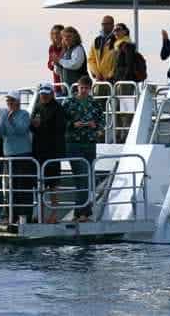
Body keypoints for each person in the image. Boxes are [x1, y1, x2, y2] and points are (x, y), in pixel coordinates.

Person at [62, 76, 105, 222]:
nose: (84, 91)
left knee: (87, 177)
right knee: (81, 176)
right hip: (74, 144)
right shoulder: (68, 102)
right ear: (77, 87)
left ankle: (83, 212)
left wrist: (97, 128)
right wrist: (73, 125)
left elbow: (102, 121)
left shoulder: (95, 104)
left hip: (90, 144)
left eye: (86, 88)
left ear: (90, 88)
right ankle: (81, 213)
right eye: (82, 88)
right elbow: (61, 121)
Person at [0, 90, 34, 222]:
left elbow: (22, 130)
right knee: (11, 187)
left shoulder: (24, 114)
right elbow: (0, 133)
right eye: (8, 101)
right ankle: (12, 216)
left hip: (23, 154)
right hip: (9, 155)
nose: (9, 103)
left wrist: (12, 120)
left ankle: (26, 215)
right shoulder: (4, 115)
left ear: (17, 102)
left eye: (12, 100)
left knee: (24, 186)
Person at [30, 83, 66, 223]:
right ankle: (40, 213)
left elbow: (59, 129)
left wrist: (40, 124)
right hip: (39, 151)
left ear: (52, 94)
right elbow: (32, 127)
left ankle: (54, 214)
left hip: (53, 152)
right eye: (42, 94)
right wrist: (34, 125)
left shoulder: (58, 109)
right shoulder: (38, 107)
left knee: (53, 185)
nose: (43, 96)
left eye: (46, 94)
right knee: (40, 184)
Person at [111, 23, 139, 142]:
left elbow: (129, 64)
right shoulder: (118, 45)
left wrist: (125, 78)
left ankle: (125, 134)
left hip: (125, 82)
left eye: (118, 30)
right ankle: (118, 133)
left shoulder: (127, 45)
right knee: (117, 108)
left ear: (125, 31)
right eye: (114, 30)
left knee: (125, 109)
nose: (116, 32)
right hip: (118, 81)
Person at [87, 15, 117, 95]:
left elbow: (118, 61)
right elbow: (91, 59)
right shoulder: (97, 41)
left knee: (116, 104)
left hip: (114, 80)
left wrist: (109, 75)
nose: (104, 26)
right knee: (99, 104)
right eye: (103, 24)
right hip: (100, 80)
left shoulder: (117, 40)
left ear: (112, 25)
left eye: (107, 24)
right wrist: (96, 73)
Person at [47, 24, 65, 94]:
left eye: (57, 33)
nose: (55, 36)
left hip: (67, 80)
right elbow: (49, 65)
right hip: (57, 82)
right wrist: (53, 63)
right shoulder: (52, 48)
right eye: (53, 33)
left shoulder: (67, 46)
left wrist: (58, 60)